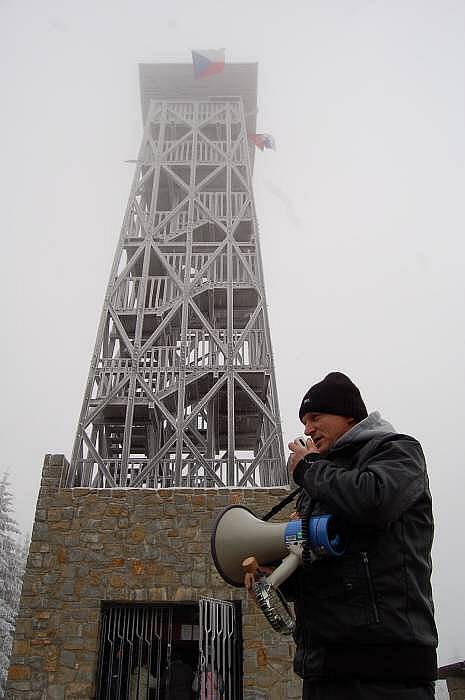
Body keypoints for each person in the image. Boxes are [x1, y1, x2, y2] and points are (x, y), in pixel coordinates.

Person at [246, 372, 437, 700]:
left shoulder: (396, 452)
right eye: (304, 421)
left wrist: (309, 469)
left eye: (315, 417)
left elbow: (373, 501)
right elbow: (317, 565)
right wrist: (277, 575)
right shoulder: (321, 481)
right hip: (324, 672)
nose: (307, 429)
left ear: (349, 414)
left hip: (387, 675)